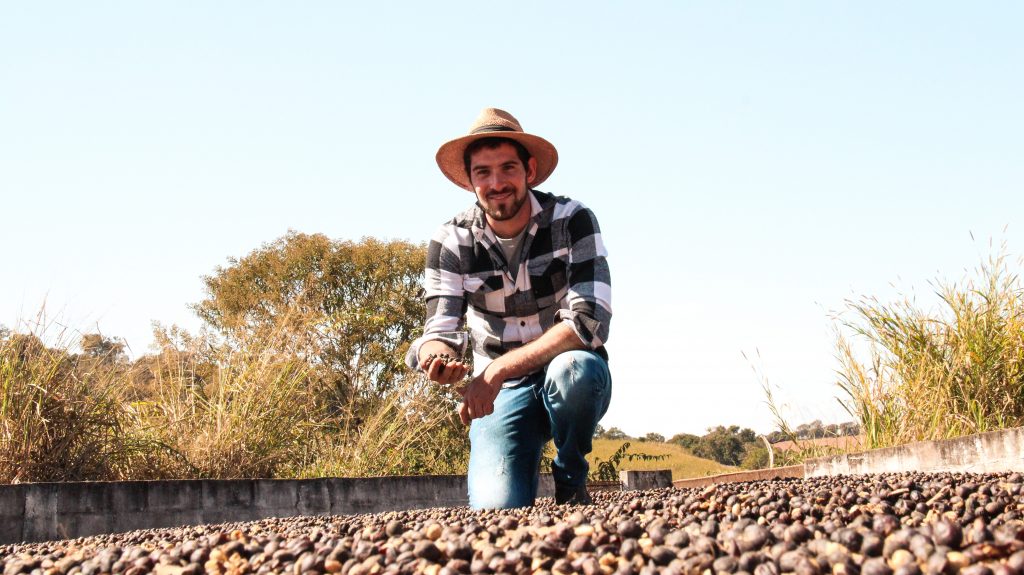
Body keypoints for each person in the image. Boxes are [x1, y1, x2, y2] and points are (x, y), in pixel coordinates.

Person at [405, 108, 613, 509]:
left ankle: (570, 475)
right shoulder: (451, 240)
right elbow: (440, 329)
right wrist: (438, 360)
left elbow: (589, 321)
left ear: (529, 170)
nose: (496, 183)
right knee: (495, 511)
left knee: (576, 370)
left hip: (564, 373)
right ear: (470, 180)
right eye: (483, 172)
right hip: (501, 394)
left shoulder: (572, 220)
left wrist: (496, 370)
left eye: (507, 168)